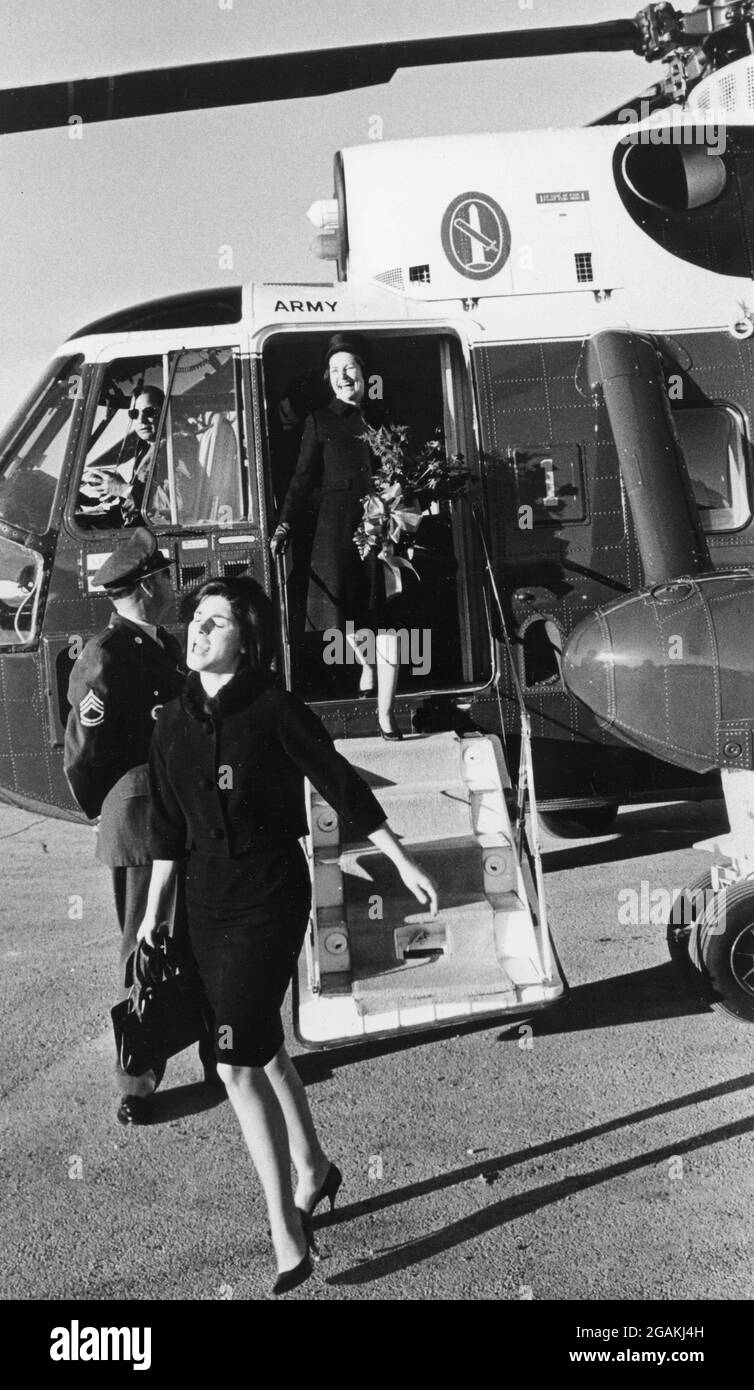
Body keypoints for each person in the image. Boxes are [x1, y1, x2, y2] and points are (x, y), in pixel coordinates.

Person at [137, 575, 438, 1294]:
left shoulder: (274, 709)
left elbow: (339, 782)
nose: (199, 631)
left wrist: (398, 857)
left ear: (248, 639)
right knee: (259, 1042)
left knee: (235, 1062)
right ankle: (314, 1169)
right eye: (197, 620)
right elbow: (167, 831)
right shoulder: (170, 723)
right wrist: (153, 915)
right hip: (204, 908)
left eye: (217, 621)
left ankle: (284, 1226)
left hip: (269, 898)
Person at [63, 527, 216, 1125]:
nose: (172, 582)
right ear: (148, 584)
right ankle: (137, 1081)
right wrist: (115, 809)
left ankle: (218, 1054)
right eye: (165, 575)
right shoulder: (108, 653)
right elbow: (84, 751)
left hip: (185, 814)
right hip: (143, 817)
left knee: (199, 936)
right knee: (144, 946)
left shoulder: (163, 644)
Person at [270, 334, 407, 739]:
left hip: (383, 529)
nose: (343, 376)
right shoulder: (318, 420)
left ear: (364, 373)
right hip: (336, 529)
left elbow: (403, 471)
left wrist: (400, 493)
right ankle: (366, 666)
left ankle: (386, 714)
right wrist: (284, 524)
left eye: (350, 368)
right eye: (335, 371)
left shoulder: (383, 417)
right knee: (343, 620)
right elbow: (300, 480)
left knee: (388, 624)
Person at [78, 386, 165, 528]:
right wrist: (115, 490)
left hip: (148, 530)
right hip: (135, 521)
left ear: (165, 412)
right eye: (134, 414)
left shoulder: (177, 447)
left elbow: (178, 505)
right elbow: (145, 493)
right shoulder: (147, 447)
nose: (141, 420)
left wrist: (123, 489)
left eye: (149, 412)